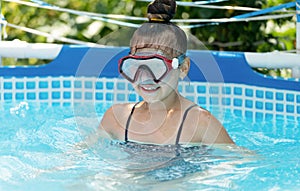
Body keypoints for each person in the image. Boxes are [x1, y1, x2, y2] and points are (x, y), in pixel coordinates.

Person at [99, 0, 234, 145]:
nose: (146, 77)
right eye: (138, 66)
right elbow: (81, 154)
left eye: (157, 67)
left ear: (183, 68)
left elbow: (241, 162)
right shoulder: (117, 118)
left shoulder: (200, 123)